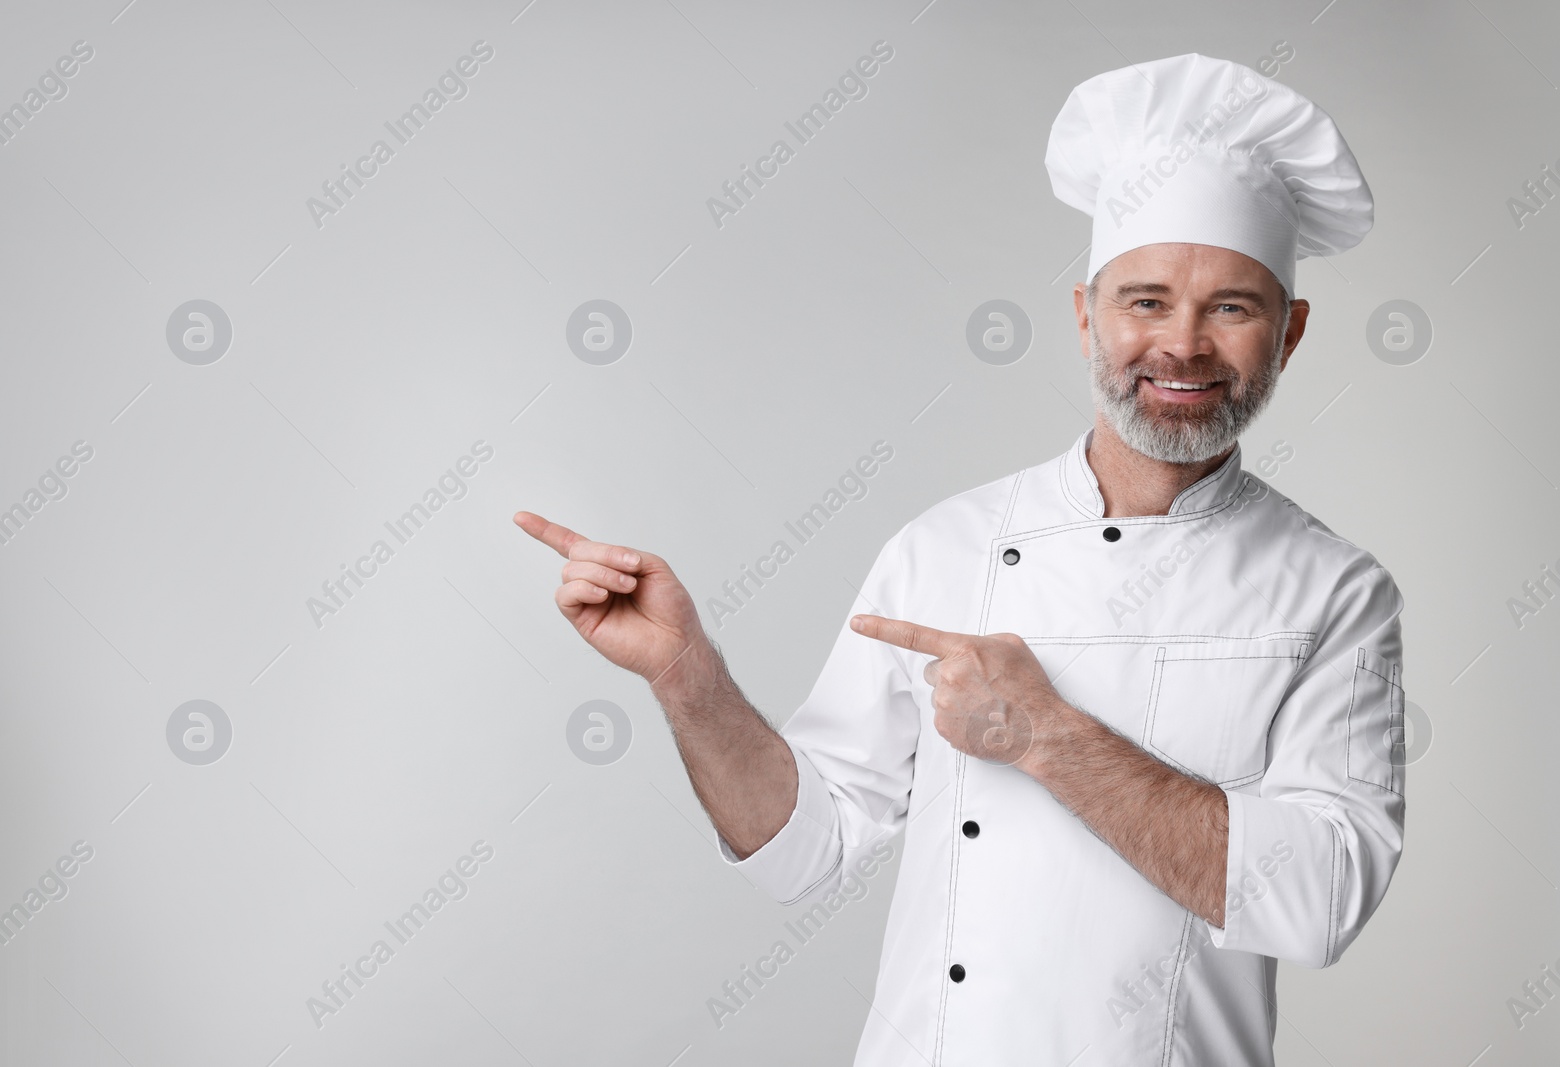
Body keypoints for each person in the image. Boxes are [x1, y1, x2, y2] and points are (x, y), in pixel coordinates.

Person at [516, 52, 1406, 1066]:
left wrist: (1047, 735)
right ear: (1085, 317)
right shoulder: (946, 544)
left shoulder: (1335, 592)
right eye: (1145, 300)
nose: (1182, 345)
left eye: (1232, 307)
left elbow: (1319, 899)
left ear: (1287, 334)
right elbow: (801, 847)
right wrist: (687, 677)